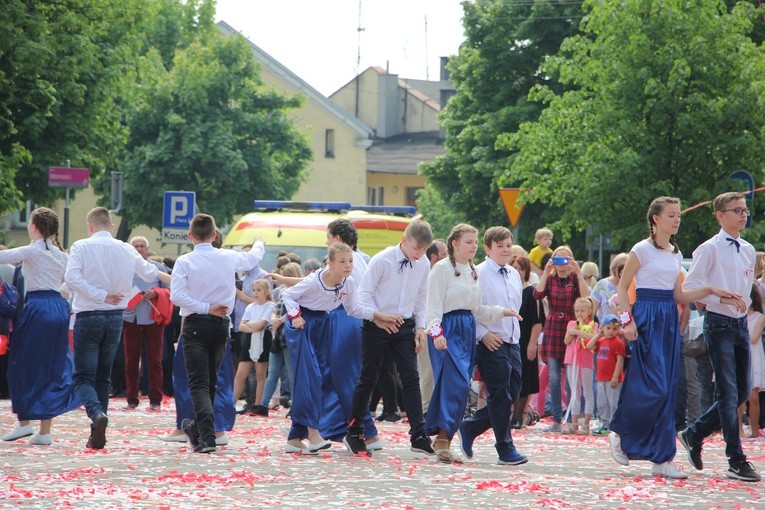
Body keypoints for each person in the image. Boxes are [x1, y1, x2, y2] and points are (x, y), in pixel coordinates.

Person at [609, 196, 736, 479]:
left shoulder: (675, 254)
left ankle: (662, 457)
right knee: (652, 386)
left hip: (667, 317)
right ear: (656, 218)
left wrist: (711, 290)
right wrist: (627, 321)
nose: (677, 219)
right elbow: (622, 288)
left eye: (678, 215)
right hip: (645, 316)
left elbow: (679, 296)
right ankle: (619, 431)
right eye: (671, 215)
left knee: (668, 390)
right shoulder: (640, 250)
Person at [65, 207, 169, 449]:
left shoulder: (81, 246)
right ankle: (97, 432)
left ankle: (96, 414)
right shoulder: (126, 248)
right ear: (111, 226)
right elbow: (148, 271)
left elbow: (71, 278)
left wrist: (100, 294)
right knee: (103, 376)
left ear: (89, 225)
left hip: (89, 315)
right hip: (115, 318)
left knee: (82, 376)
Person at [678, 192, 761, 482]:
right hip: (718, 324)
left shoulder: (748, 249)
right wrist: (719, 297)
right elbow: (690, 289)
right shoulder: (709, 249)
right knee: (728, 393)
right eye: (736, 210)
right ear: (720, 215)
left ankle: (695, 432)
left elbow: (746, 287)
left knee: (740, 391)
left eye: (745, 209)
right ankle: (736, 459)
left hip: (740, 325)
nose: (743, 214)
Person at [283, 242, 395, 454]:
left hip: (322, 325)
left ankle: (295, 438)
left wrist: (377, 316)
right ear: (330, 264)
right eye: (342, 261)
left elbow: (353, 309)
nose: (347, 265)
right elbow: (288, 295)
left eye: (350, 261)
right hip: (302, 324)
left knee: (321, 377)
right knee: (311, 378)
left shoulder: (348, 283)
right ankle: (314, 435)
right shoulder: (315, 281)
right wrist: (295, 316)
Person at [424, 224, 520, 464]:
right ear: (455, 243)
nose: (473, 246)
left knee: (462, 385)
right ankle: (443, 437)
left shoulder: (471, 270)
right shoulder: (441, 270)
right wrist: (437, 333)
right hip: (447, 330)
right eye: (469, 242)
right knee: (453, 384)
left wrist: (502, 312)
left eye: (475, 242)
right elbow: (432, 306)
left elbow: (477, 310)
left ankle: (446, 436)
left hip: (466, 330)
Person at [172, 214, 265, 454]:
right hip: (221, 324)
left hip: (196, 323)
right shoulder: (227, 257)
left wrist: (204, 307)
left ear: (190, 236)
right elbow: (253, 257)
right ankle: (202, 430)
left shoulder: (185, 261)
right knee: (211, 380)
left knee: (199, 382)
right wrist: (258, 240)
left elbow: (177, 296)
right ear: (214, 236)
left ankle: (207, 436)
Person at [343, 221, 435, 456]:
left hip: (404, 325)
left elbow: (422, 297)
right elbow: (362, 296)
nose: (419, 254)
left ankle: (418, 435)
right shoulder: (382, 260)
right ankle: (354, 432)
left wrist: (420, 327)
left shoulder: (423, 263)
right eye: (416, 248)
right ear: (404, 241)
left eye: (424, 250)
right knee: (368, 377)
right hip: (376, 323)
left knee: (411, 377)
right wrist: (378, 316)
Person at [0, 208, 81, 445]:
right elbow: (71, 283)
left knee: (19, 364)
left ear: (34, 226)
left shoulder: (32, 250)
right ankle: (44, 430)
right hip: (58, 306)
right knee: (52, 366)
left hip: (38, 306)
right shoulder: (62, 254)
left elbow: (3, 257)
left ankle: (24, 423)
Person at [457, 226, 527, 465]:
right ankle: (505, 448)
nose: (506, 250)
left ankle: (470, 428)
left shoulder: (513, 274)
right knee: (499, 395)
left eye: (508, 245)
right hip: (490, 341)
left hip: (512, 340)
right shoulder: (479, 273)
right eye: (500, 246)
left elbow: (515, 308)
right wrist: (482, 334)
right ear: (487, 248)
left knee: (513, 393)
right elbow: (472, 308)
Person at [533, 246, 589, 432]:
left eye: (566, 259)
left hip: (571, 328)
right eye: (558, 259)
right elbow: (538, 294)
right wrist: (546, 271)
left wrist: (579, 272)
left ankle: (573, 419)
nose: (562, 264)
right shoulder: (550, 279)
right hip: (553, 328)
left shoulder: (574, 278)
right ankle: (557, 419)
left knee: (573, 378)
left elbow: (585, 297)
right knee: (554, 376)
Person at [122, 236, 169, 411]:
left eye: (142, 246)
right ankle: (131, 398)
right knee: (131, 360)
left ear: (147, 249)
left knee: (154, 360)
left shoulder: (157, 268)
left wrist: (155, 292)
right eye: (136, 246)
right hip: (130, 317)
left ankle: (155, 398)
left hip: (152, 317)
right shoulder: (124, 267)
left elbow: (170, 289)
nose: (139, 249)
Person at [509, 256, 544, 429]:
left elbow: (537, 321)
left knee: (524, 377)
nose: (517, 271)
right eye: (514, 267)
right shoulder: (506, 288)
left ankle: (518, 415)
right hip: (507, 338)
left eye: (521, 268)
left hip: (525, 339)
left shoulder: (531, 292)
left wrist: (533, 343)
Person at [233, 279, 274, 417]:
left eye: (258, 290)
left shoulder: (270, 306)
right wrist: (253, 326)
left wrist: (250, 325)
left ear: (266, 291)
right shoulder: (251, 307)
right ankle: (231, 403)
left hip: (263, 339)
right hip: (250, 340)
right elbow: (241, 326)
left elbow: (261, 325)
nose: (255, 293)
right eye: (254, 290)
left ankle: (257, 404)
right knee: (240, 374)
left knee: (260, 374)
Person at [419, 239, 448, 415]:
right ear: (433, 256)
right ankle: (425, 412)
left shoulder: (446, 273)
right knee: (427, 374)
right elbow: (427, 310)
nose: (447, 258)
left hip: (446, 330)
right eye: (444, 254)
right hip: (428, 330)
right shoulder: (425, 277)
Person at [563, 297, 598, 434]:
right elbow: (567, 340)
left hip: (585, 361)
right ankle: (574, 423)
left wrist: (577, 332)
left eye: (582, 311)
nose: (579, 314)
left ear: (589, 311)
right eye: (577, 311)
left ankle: (586, 424)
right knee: (574, 392)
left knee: (587, 391)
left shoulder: (593, 325)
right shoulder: (571, 323)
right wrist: (575, 328)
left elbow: (593, 337)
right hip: (572, 361)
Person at [585, 314, 625, 435]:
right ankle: (605, 423)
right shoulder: (601, 341)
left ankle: (615, 425)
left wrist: (615, 376)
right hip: (601, 377)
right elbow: (589, 346)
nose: (611, 332)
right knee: (602, 402)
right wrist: (598, 334)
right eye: (608, 328)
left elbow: (620, 360)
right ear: (603, 328)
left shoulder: (618, 343)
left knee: (613, 402)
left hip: (612, 379)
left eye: (614, 329)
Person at [738, 285, 765, 439]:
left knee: (753, 397)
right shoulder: (735, 317)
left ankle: (754, 430)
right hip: (739, 355)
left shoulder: (760, 317)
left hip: (753, 358)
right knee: (738, 398)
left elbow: (754, 338)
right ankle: (739, 430)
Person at [591, 254, 629, 322]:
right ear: (614, 269)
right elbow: (592, 311)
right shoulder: (602, 285)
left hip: (626, 329)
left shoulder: (634, 286)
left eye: (628, 267)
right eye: (622, 267)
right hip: (604, 329)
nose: (624, 270)